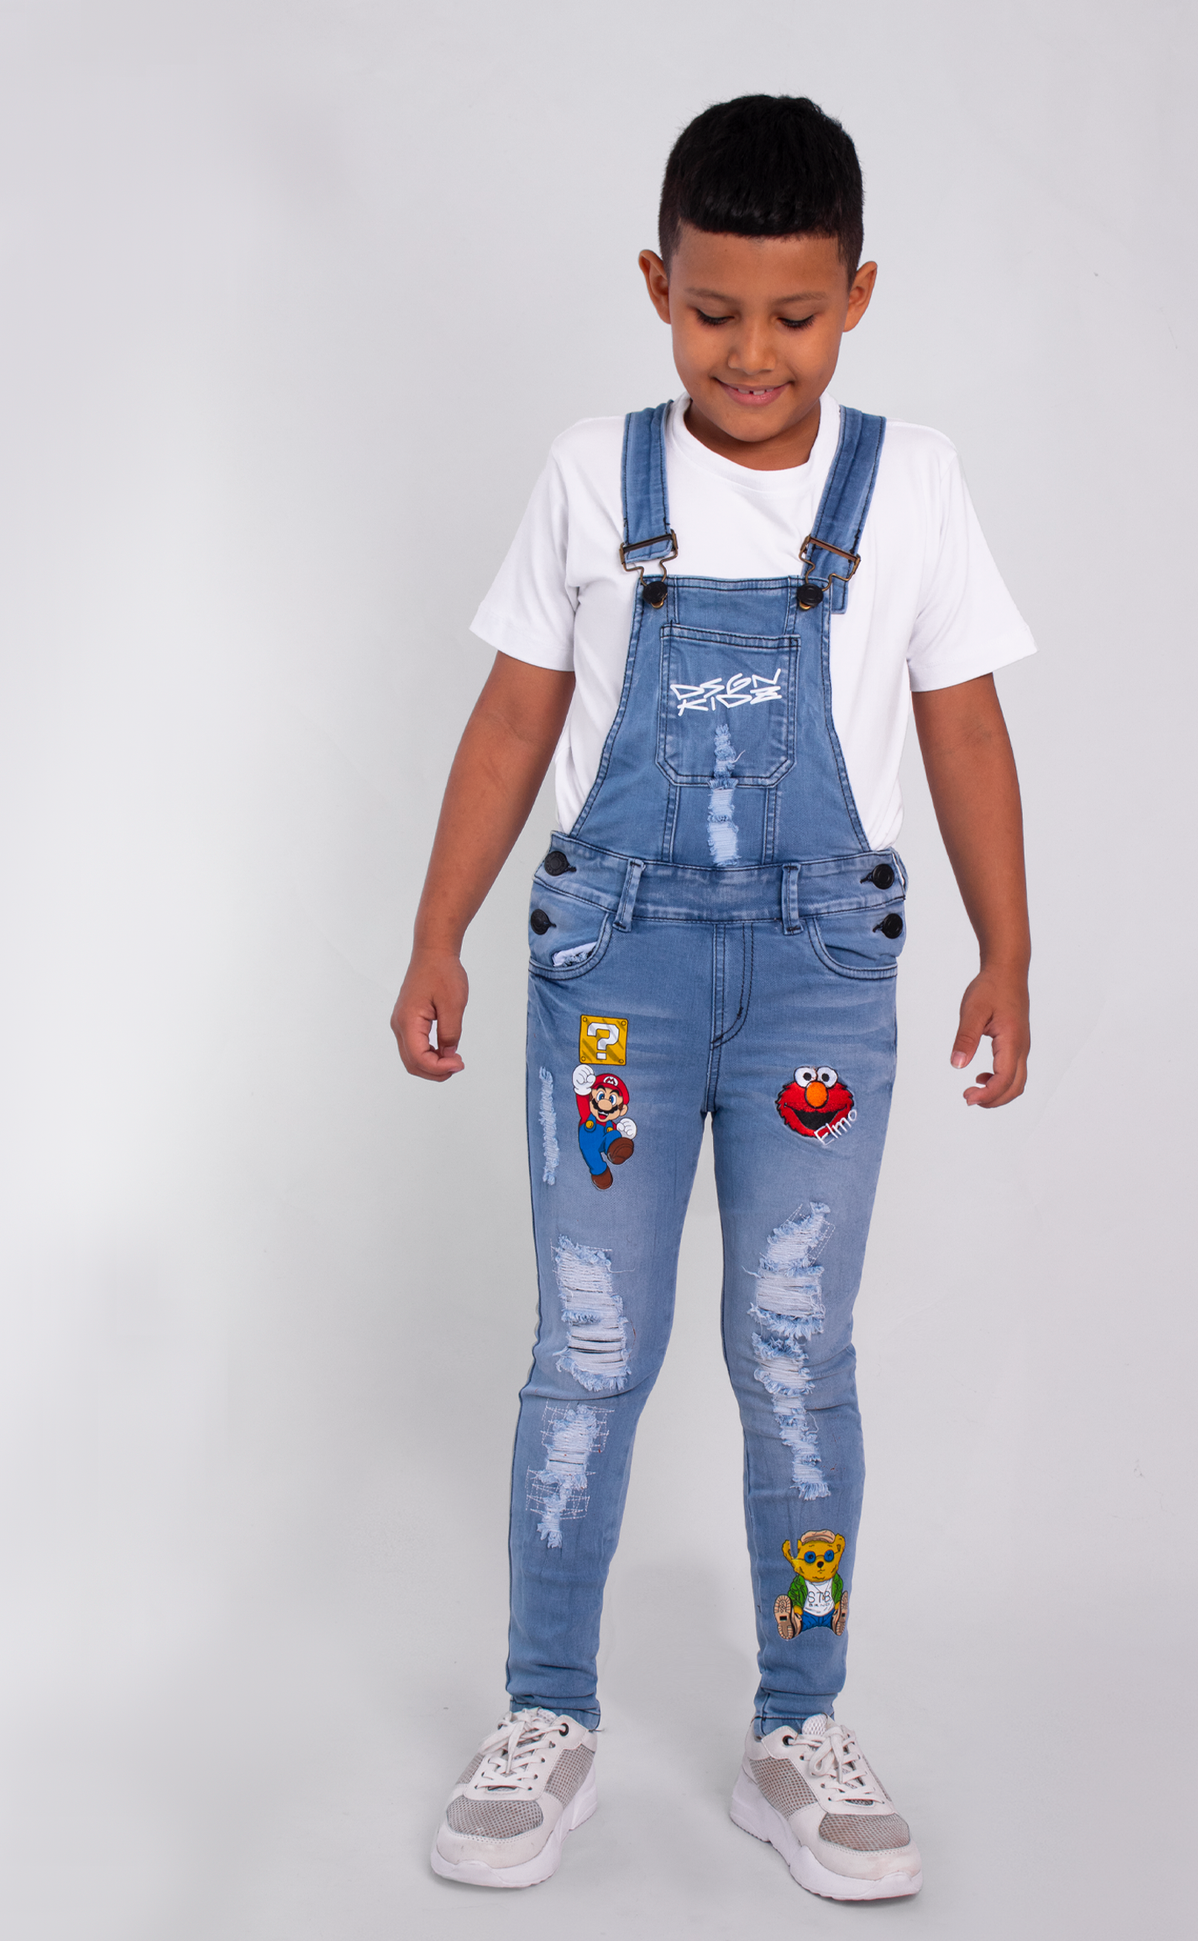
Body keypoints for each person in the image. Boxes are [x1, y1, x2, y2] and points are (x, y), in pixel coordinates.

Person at [390, 93, 1034, 1902]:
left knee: (795, 1350)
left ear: (859, 296)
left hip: (824, 982)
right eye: (713, 312)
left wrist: (1009, 949)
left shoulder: (912, 483)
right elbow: (513, 720)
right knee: (590, 1347)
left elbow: (964, 727)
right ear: (657, 286)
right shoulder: (595, 476)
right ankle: (547, 1713)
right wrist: (438, 931)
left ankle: (797, 1725)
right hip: (616, 976)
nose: (753, 355)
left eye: (796, 317)